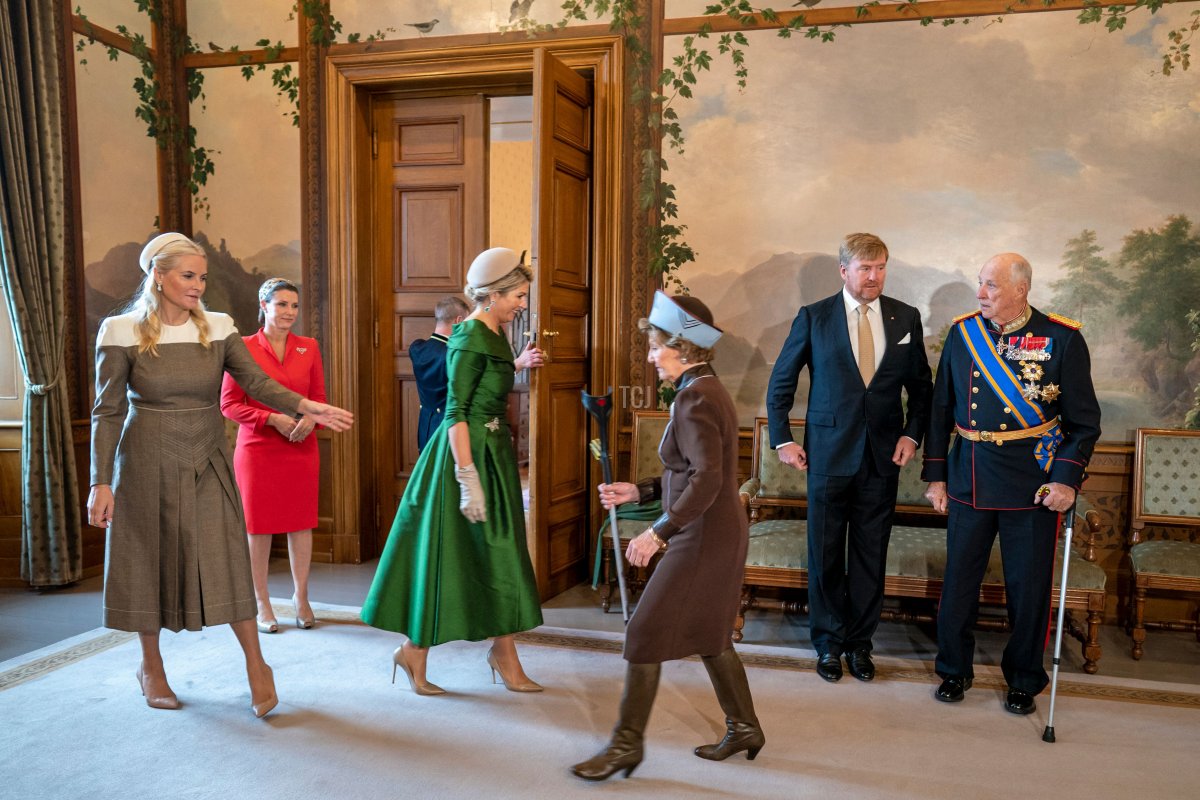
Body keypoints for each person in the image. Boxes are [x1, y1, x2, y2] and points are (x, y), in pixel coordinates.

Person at [87, 233, 354, 718]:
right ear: (158, 276)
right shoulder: (120, 330)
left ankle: (257, 665)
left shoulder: (218, 327)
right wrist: (99, 481)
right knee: (147, 559)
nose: (198, 286)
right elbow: (106, 412)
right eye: (188, 276)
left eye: (203, 277)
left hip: (206, 455)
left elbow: (253, 382)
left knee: (225, 555)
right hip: (144, 458)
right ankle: (151, 666)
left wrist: (304, 404)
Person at [572, 292, 763, 782]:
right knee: (713, 635)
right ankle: (744, 727)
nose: (652, 356)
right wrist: (639, 488)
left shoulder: (695, 396)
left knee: (643, 632)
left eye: (657, 347)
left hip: (702, 537)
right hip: (714, 529)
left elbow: (706, 478)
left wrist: (657, 533)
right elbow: (696, 471)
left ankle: (624, 747)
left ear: (682, 346)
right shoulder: (706, 389)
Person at [361, 247, 546, 694]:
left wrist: (517, 364)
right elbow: (456, 413)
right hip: (463, 461)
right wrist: (468, 481)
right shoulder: (466, 337)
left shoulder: (496, 334)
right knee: (445, 556)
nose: (523, 303)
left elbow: (488, 392)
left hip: (494, 456)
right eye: (518, 295)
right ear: (492, 295)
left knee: (499, 553)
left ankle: (503, 653)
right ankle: (414, 651)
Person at [922, 252, 1100, 715]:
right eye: (981, 284)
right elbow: (941, 410)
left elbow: (1083, 424)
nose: (980, 294)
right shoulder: (964, 335)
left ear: (1021, 289)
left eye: (991, 286)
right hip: (970, 478)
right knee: (959, 583)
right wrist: (936, 476)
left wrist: (1066, 481)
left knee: (1028, 588)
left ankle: (1024, 678)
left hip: (1033, 485)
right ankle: (953, 670)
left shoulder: (1062, 338)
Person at [765, 233, 932, 683]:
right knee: (824, 554)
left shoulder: (905, 318)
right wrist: (782, 439)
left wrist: (912, 436)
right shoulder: (814, 317)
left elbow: (922, 391)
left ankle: (860, 645)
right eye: (865, 268)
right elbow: (781, 382)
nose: (873, 276)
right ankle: (827, 644)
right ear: (845, 271)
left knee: (868, 556)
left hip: (882, 459)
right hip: (826, 456)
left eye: (880, 267)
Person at [220, 278, 326, 633]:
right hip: (258, 449)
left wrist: (311, 417)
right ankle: (261, 601)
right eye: (281, 305)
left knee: (301, 523)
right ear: (263, 306)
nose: (289, 313)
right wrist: (271, 419)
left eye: (294, 306)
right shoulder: (243, 347)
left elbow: (318, 397)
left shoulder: (308, 347)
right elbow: (229, 404)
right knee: (258, 527)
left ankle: (302, 597)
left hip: (301, 446)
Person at [411, 295, 470, 451]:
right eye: (467, 322)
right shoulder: (453, 354)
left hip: (424, 425)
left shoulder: (416, 348)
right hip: (447, 427)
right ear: (458, 321)